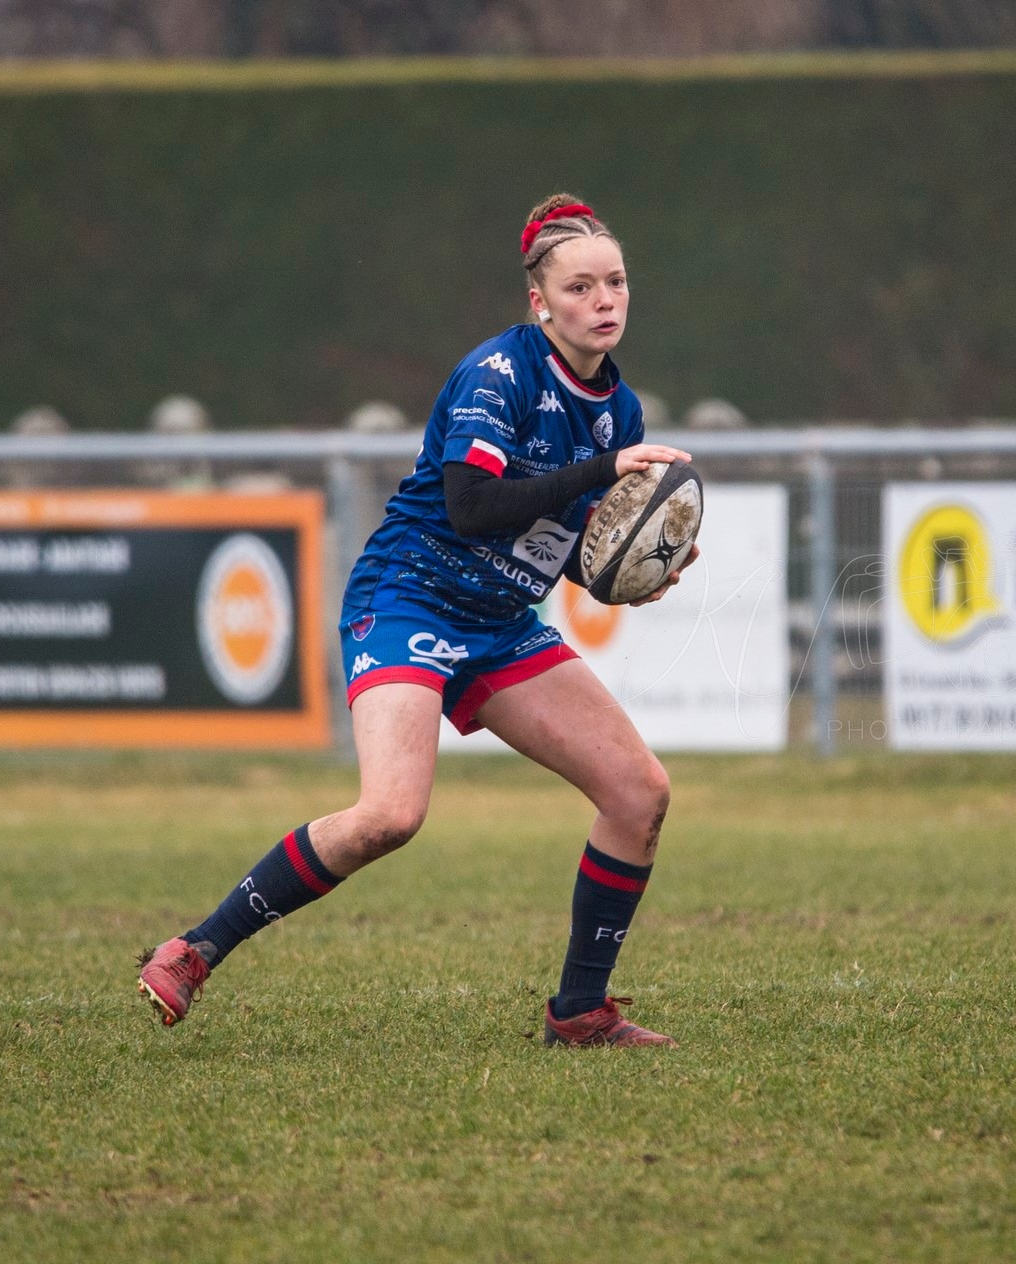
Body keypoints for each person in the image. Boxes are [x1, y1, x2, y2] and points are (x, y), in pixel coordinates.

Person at [139, 194, 699, 1048]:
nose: (604, 300)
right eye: (580, 286)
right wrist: (601, 468)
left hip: (501, 620)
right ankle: (194, 950)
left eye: (615, 282)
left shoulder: (617, 413)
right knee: (389, 816)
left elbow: (563, 540)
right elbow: (471, 506)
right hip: (408, 596)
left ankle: (579, 1012)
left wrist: (629, 570)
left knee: (639, 793)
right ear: (538, 303)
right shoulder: (498, 376)